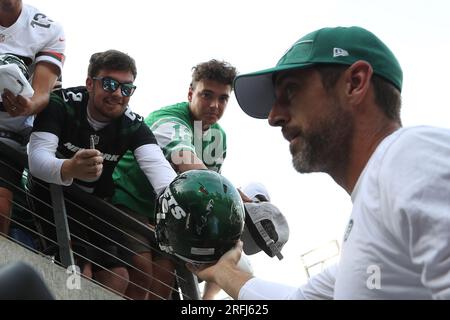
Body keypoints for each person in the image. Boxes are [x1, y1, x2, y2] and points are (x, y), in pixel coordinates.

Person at [189, 26, 450, 299]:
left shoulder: (410, 153)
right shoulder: (367, 226)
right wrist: (223, 272)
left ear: (355, 83)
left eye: (290, 91)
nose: (273, 117)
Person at [27, 49, 176, 296]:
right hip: (50, 195)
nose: (118, 94)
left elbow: (160, 172)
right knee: (78, 271)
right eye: (109, 84)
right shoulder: (60, 103)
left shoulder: (134, 124)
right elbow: (37, 158)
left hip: (93, 206)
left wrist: (186, 203)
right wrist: (68, 168)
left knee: (120, 277)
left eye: (127, 88)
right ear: (90, 83)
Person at [111, 59, 237, 299]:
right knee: (141, 271)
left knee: (164, 278)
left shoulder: (220, 137)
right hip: (130, 200)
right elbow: (190, 166)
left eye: (223, 98)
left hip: (167, 216)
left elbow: (211, 190)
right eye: (207, 95)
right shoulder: (168, 118)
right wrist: (237, 200)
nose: (214, 105)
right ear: (191, 93)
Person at [0, 0, 65, 236]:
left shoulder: (48, 28)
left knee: (1, 206)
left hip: (8, 137)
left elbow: (42, 93)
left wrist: (29, 106)